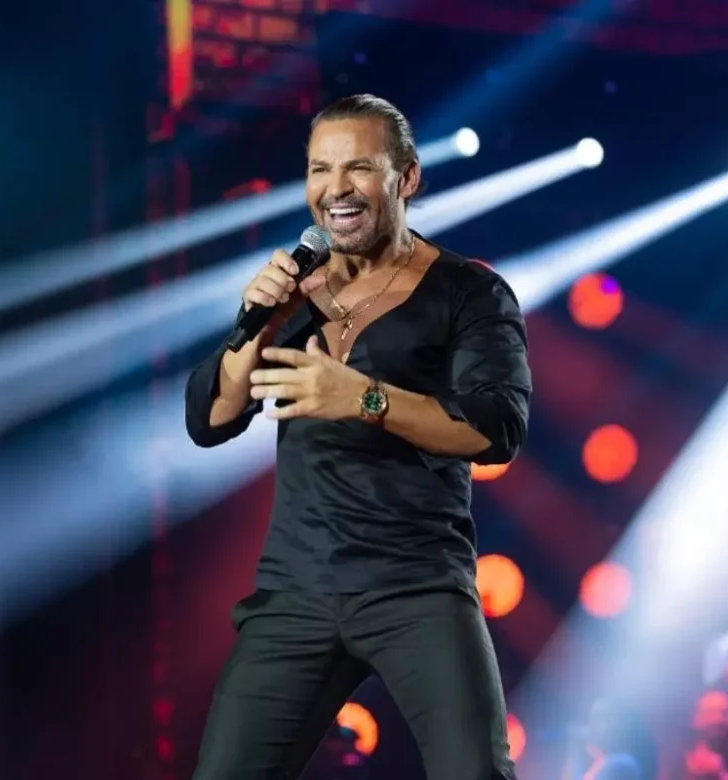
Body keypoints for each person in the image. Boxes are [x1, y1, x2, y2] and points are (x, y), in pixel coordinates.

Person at [184, 93, 531, 779]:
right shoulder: (294, 293)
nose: (335, 189)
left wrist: (364, 398)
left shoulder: (468, 293)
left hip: (417, 586)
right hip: (297, 590)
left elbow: (496, 429)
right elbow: (211, 420)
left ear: (407, 178)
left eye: (359, 168)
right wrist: (259, 323)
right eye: (320, 169)